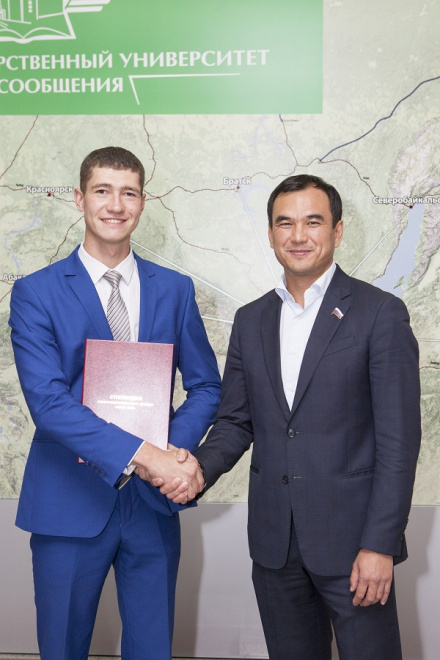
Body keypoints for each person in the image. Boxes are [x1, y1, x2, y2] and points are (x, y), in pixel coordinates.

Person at [160, 174, 421, 660]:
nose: (298, 235)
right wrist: (195, 469)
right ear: (270, 234)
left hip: (355, 547)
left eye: (312, 222)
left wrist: (380, 545)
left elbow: (399, 444)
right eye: (285, 223)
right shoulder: (251, 319)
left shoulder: (380, 313)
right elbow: (236, 421)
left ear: (337, 231)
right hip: (275, 546)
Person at [9, 146, 221, 660]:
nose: (115, 205)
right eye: (102, 191)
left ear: (143, 202)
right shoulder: (35, 293)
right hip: (68, 499)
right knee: (62, 648)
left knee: (153, 649)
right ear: (79, 198)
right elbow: (48, 404)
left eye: (128, 193)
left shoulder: (175, 289)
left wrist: (168, 457)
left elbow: (207, 386)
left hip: (151, 504)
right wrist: (146, 455)